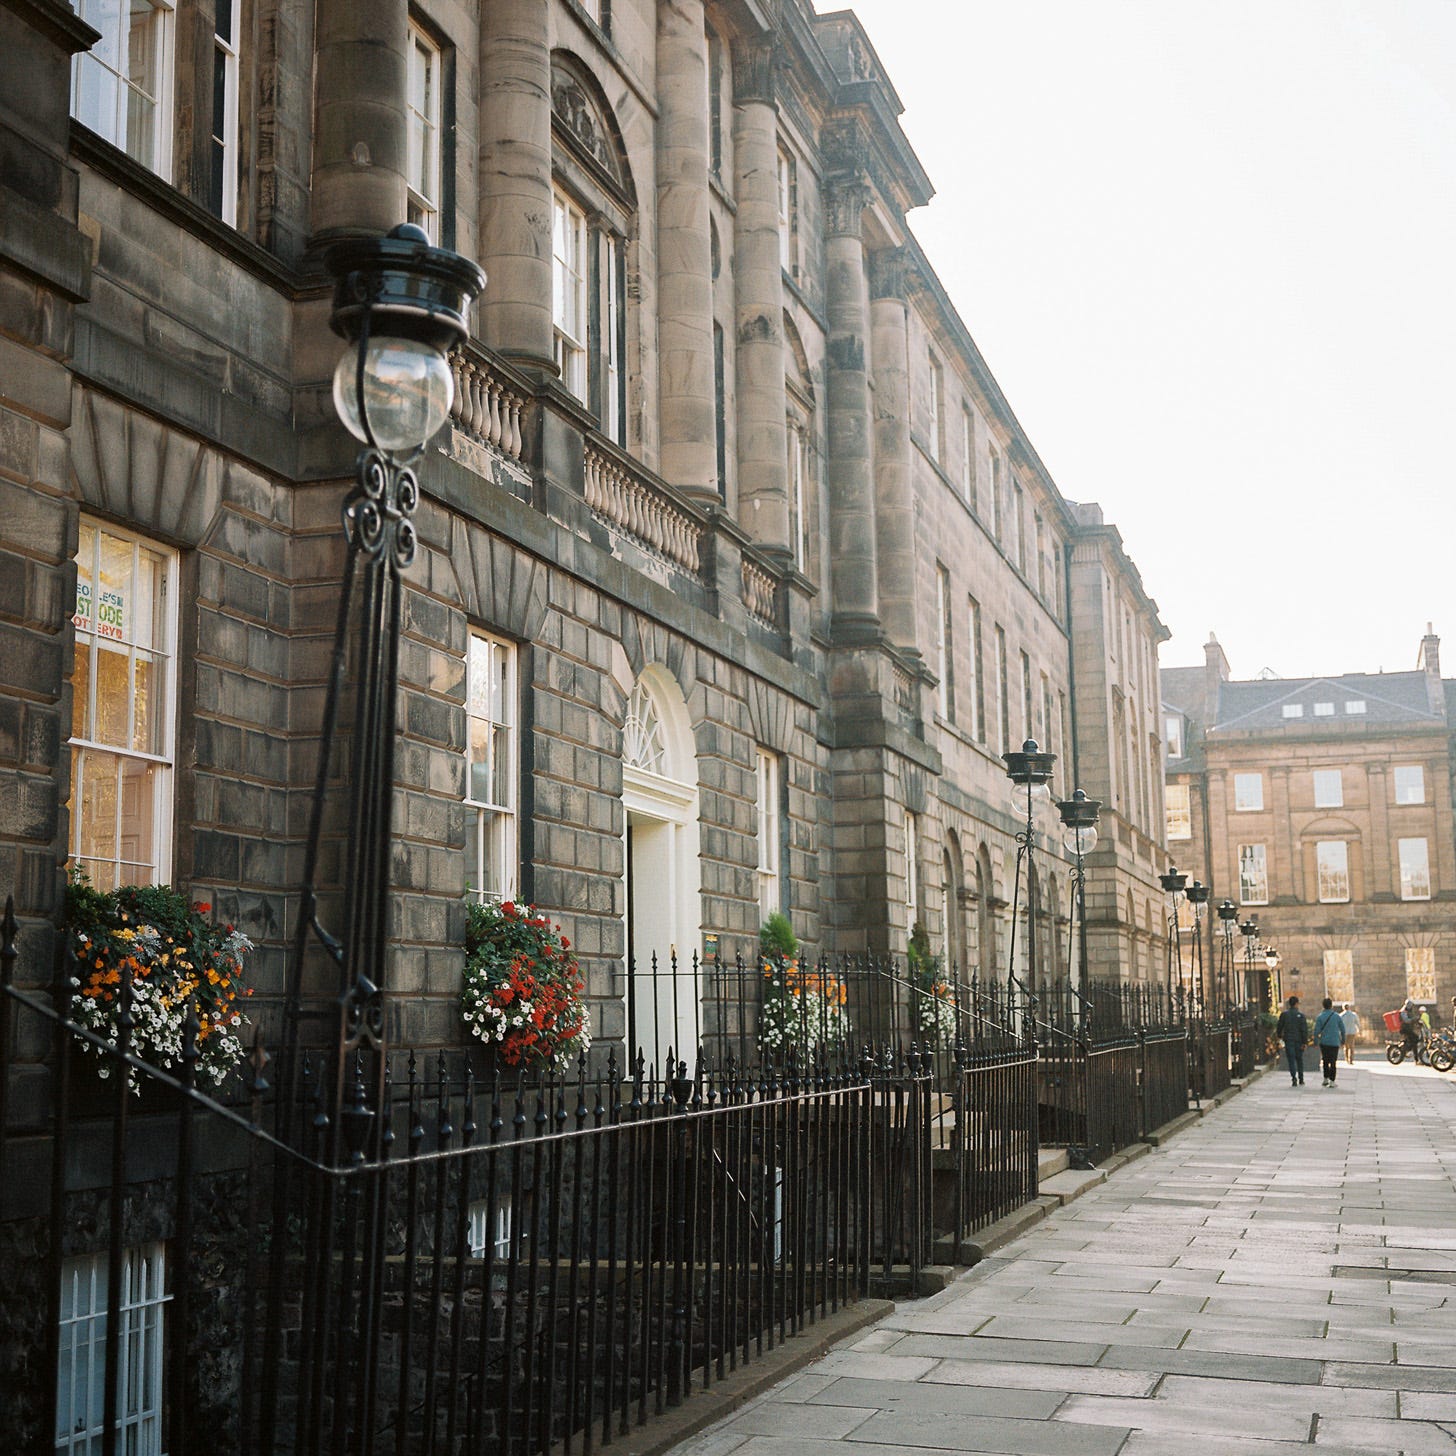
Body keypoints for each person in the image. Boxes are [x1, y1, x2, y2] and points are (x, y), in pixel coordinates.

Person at [1276, 994, 1309, 1087]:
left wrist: (1279, 1036)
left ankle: (1293, 1078)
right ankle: (1301, 1078)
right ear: (1296, 1004)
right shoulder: (1301, 1016)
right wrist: (1304, 1042)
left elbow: (1279, 1027)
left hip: (1288, 1040)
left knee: (1291, 1059)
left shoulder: (1284, 1015)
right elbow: (1304, 1030)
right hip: (1298, 1040)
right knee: (1299, 1059)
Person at [1313, 997, 1346, 1087]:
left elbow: (1316, 1031)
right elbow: (1343, 1030)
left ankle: (1325, 1079)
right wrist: (1343, 1040)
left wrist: (1315, 1042)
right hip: (1335, 1042)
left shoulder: (1320, 1017)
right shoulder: (1337, 1016)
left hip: (1324, 1042)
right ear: (1331, 1005)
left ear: (1323, 1006)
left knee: (1325, 1061)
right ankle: (1332, 1081)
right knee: (1333, 1062)